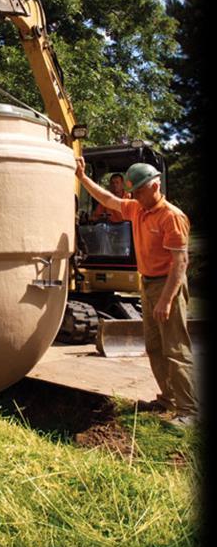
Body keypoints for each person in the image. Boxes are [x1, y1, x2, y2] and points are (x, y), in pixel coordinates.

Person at [75, 157, 198, 427]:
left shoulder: (172, 217)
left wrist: (166, 300)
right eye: (133, 193)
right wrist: (83, 179)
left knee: (175, 349)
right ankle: (168, 400)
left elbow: (180, 263)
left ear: (154, 186)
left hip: (168, 285)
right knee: (154, 347)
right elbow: (108, 200)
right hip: (148, 283)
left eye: (139, 191)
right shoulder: (137, 209)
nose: (135, 196)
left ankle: (188, 410)